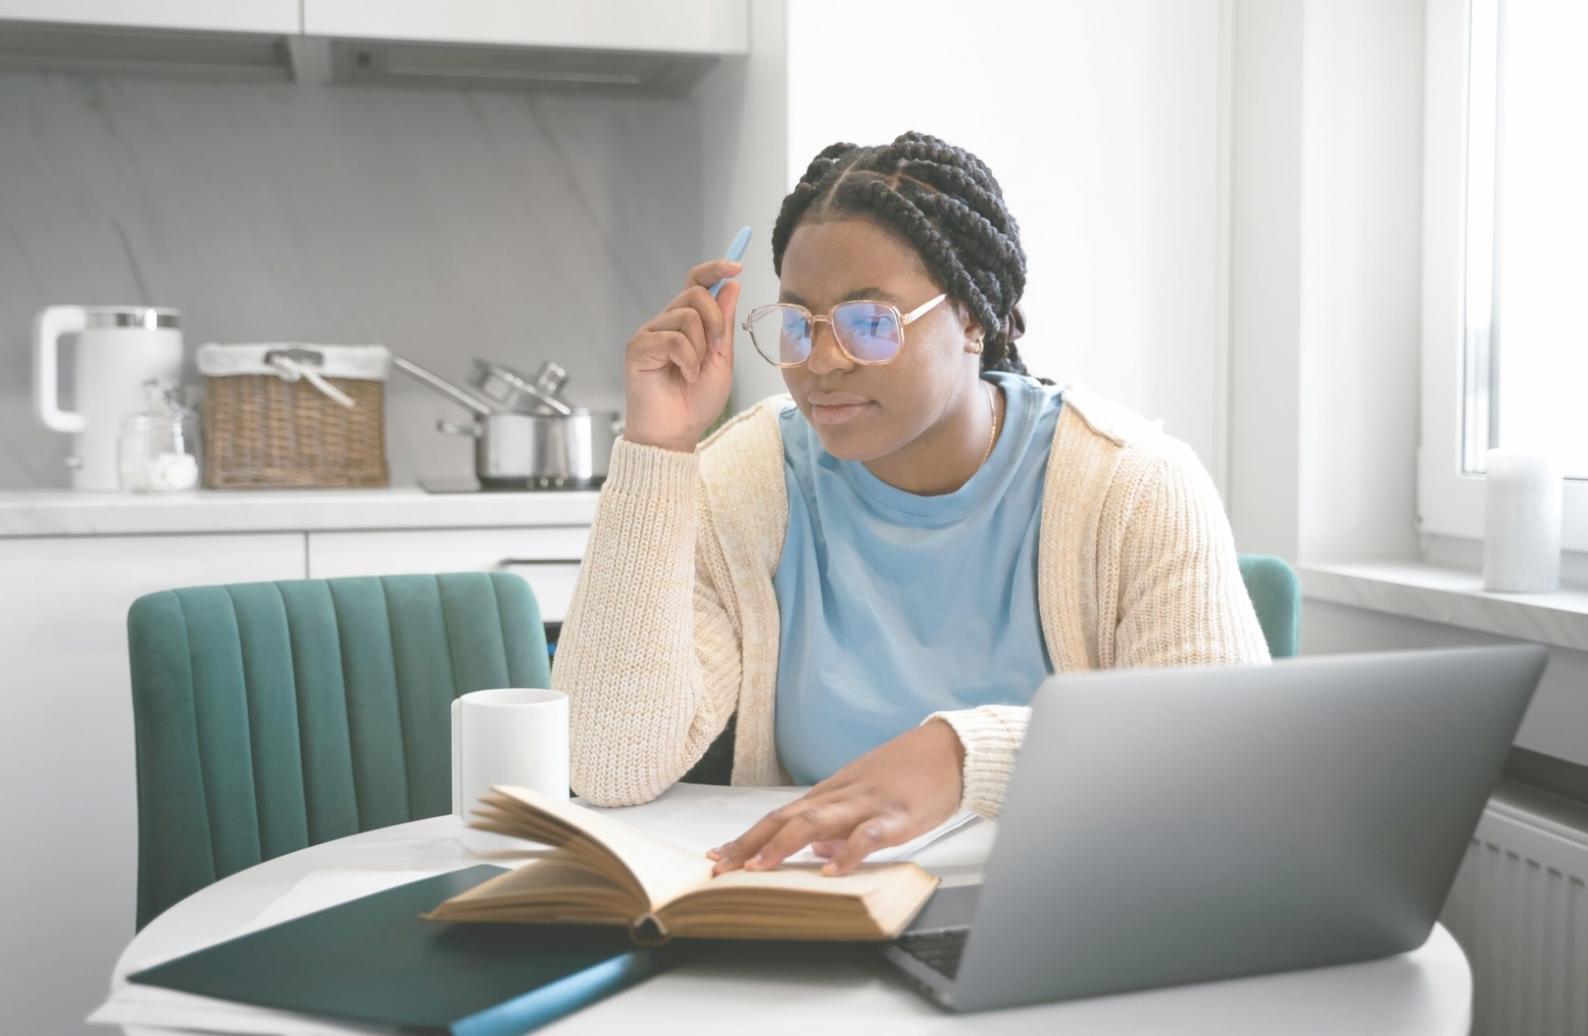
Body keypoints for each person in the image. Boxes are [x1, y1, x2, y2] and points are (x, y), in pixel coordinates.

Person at [551, 131, 1268, 878]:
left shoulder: (1134, 485)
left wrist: (966, 755)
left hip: (1066, 909)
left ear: (972, 318)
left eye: (870, 323)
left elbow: (1222, 760)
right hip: (817, 915)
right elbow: (606, 762)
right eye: (798, 324)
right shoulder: (748, 480)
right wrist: (657, 449)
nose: (823, 362)